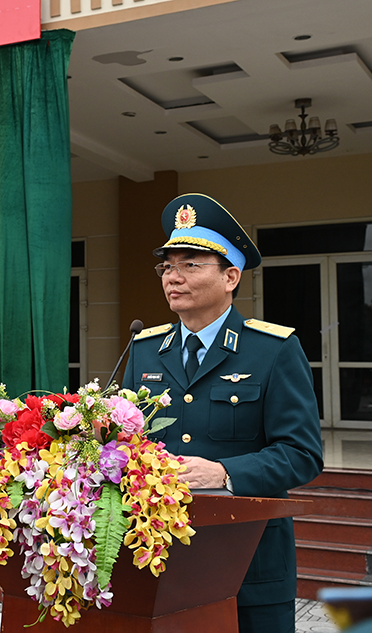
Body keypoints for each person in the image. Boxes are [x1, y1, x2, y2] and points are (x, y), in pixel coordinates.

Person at [122, 193, 323, 633]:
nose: (173, 277)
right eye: (168, 266)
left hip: (247, 561)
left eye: (191, 265)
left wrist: (223, 473)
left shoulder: (273, 350)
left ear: (231, 276)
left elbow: (302, 453)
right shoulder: (144, 351)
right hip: (159, 556)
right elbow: (122, 446)